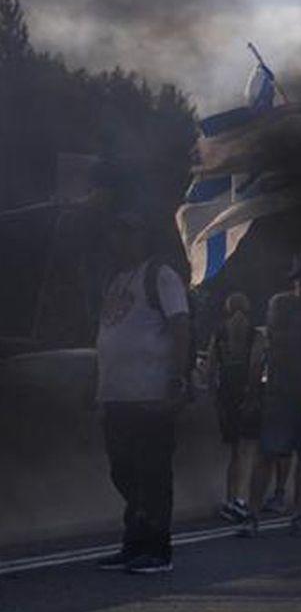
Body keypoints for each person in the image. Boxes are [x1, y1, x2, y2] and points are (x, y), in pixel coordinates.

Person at [94, 210, 191, 574]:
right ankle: (134, 542)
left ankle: (157, 548)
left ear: (142, 238)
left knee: (152, 473)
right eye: (116, 234)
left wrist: (177, 380)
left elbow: (180, 327)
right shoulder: (116, 279)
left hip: (151, 396)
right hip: (116, 396)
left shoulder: (160, 276)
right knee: (123, 471)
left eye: (127, 233)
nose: (119, 241)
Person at [237, 258, 301, 537]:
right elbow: (268, 347)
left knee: (290, 456)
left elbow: (263, 351)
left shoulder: (293, 308)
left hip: (296, 391)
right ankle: (263, 513)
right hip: (288, 390)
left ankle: (269, 513)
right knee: (278, 455)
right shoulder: (291, 308)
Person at [209, 292, 260, 524]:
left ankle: (231, 499)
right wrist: (252, 393)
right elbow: (256, 364)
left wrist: (214, 394)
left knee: (234, 450)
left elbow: (210, 367)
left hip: (226, 393)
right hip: (245, 391)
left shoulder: (219, 332)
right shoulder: (253, 334)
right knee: (245, 450)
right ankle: (238, 499)